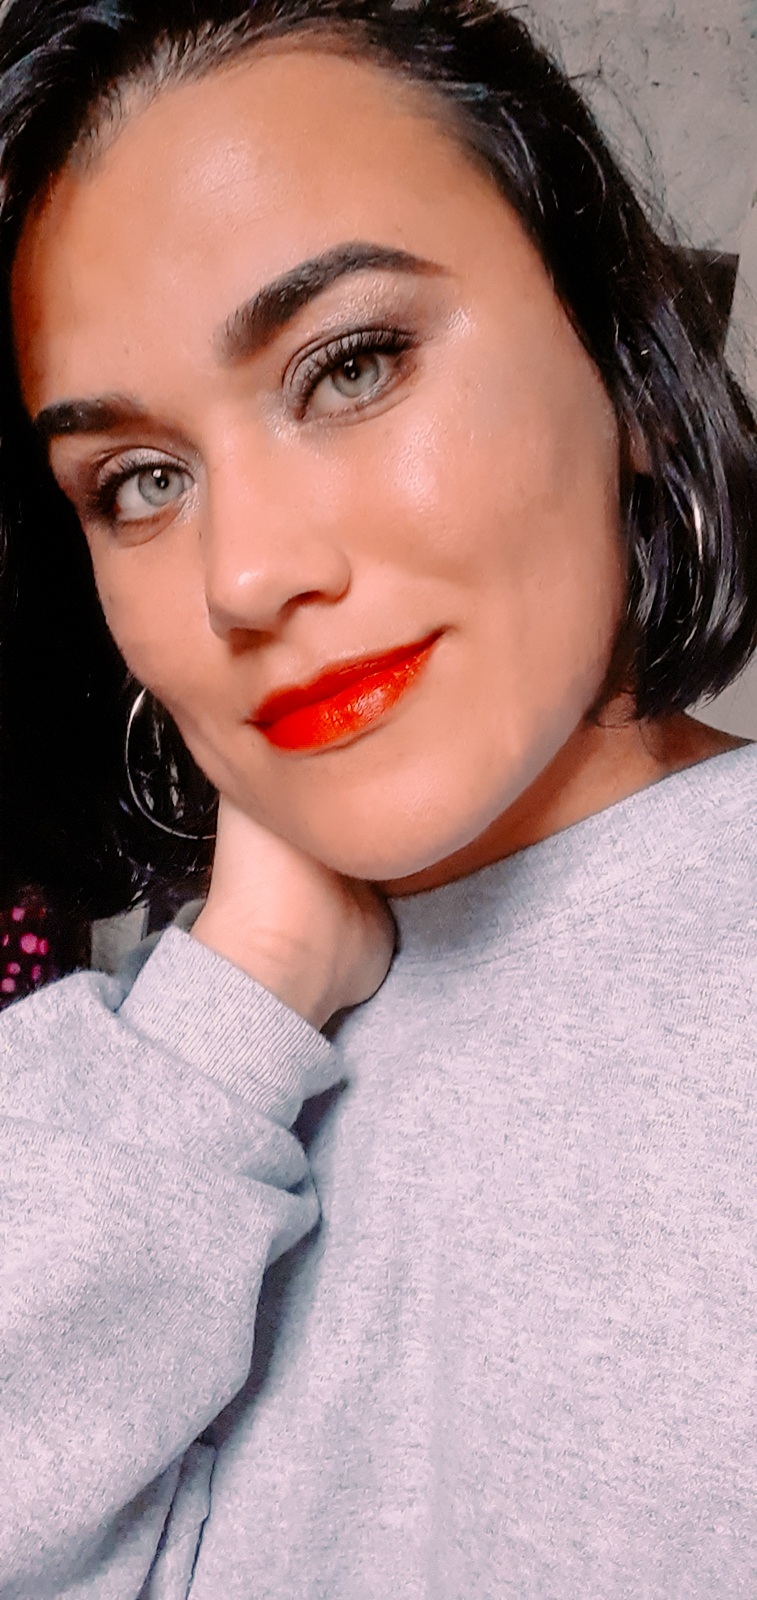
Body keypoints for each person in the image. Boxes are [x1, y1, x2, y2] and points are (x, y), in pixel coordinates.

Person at [0, 0, 755, 1593]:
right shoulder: (161, 1094)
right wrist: (239, 1001)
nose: (245, 574)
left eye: (349, 366)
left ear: (619, 362)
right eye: (140, 479)